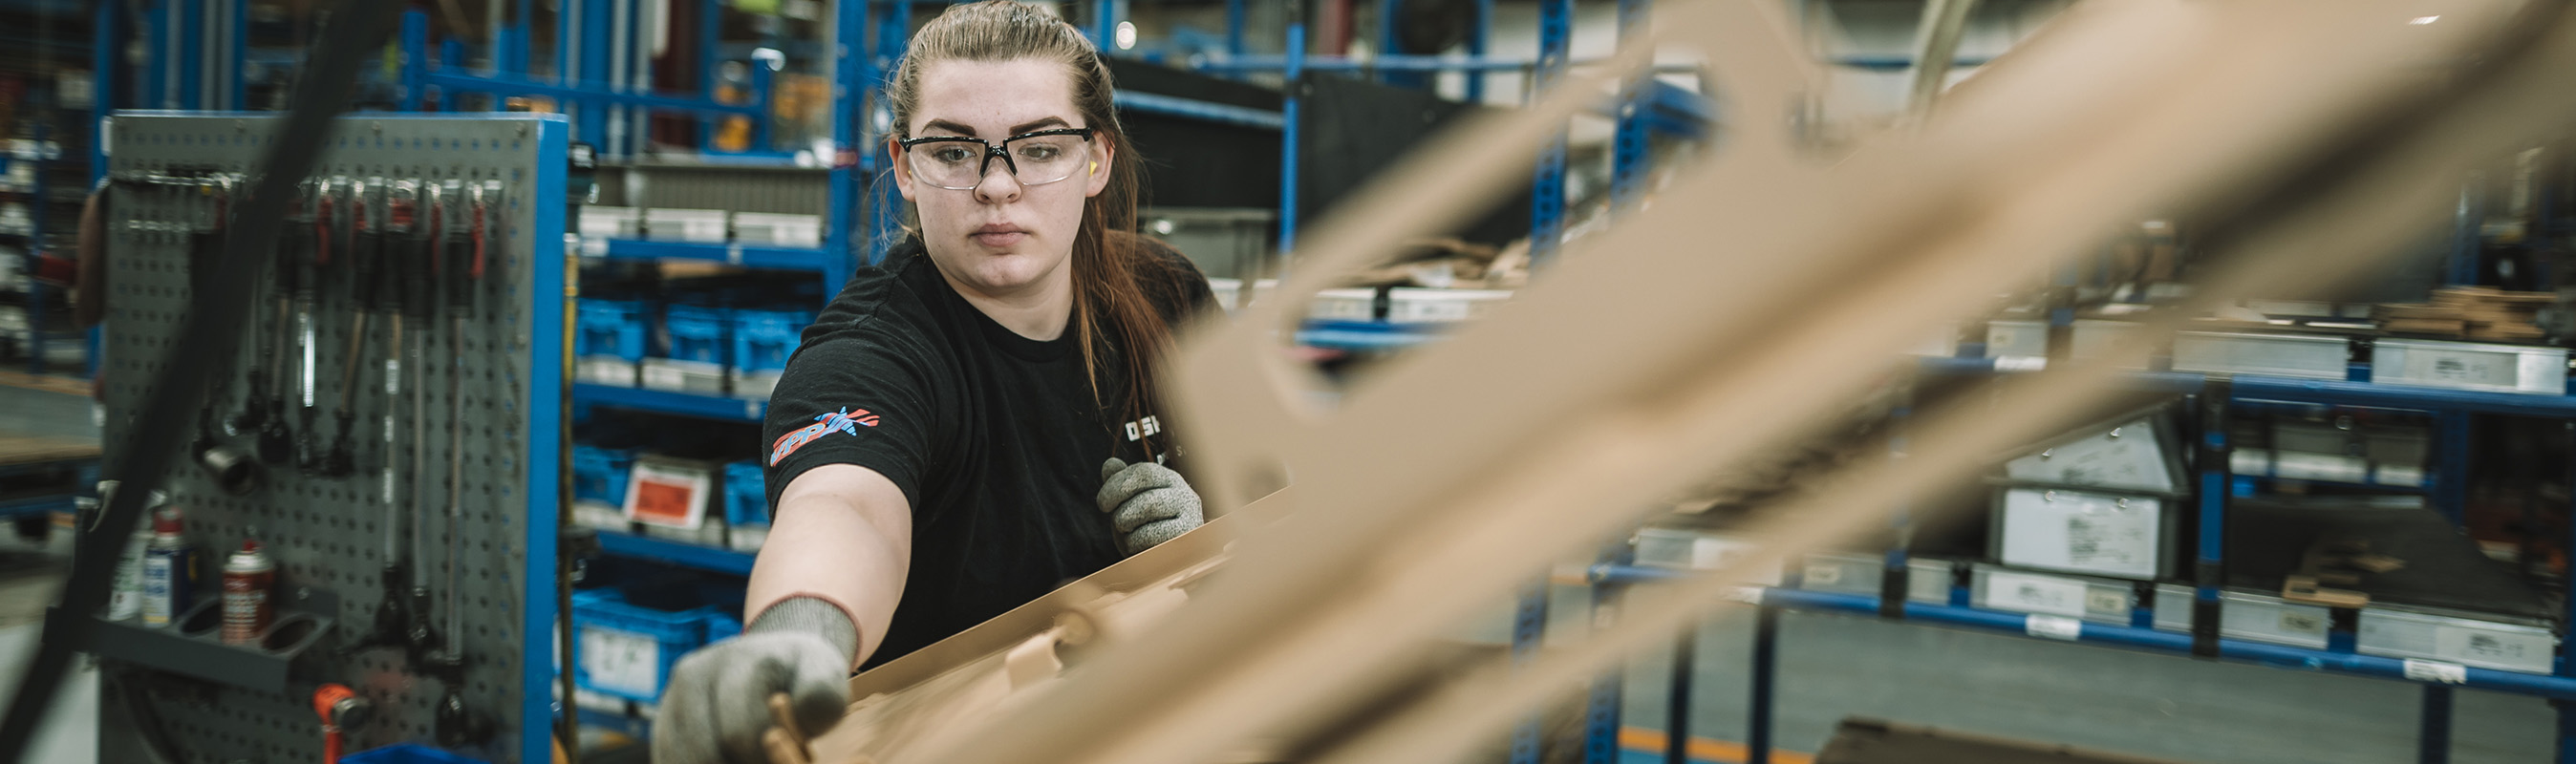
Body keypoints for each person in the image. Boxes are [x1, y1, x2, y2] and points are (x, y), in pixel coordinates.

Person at [654, 4, 1217, 761]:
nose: (996, 187)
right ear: (904, 167)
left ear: (1097, 162)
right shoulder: (872, 354)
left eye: (1040, 147)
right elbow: (846, 507)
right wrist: (798, 637)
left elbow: (1276, 495)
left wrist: (1207, 541)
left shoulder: (1166, 293)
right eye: (954, 153)